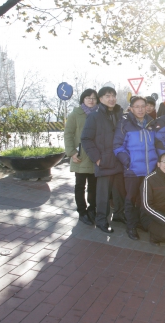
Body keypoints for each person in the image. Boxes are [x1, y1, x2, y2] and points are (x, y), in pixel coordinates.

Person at [81, 86, 125, 234]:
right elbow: (86, 139)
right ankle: (101, 220)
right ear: (100, 99)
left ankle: (119, 215)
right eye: (107, 96)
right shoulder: (94, 116)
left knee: (120, 192)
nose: (111, 98)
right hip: (104, 161)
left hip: (120, 160)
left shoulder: (121, 114)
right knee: (103, 195)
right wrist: (97, 159)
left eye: (113, 95)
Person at [113, 96, 158, 240]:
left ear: (147, 107)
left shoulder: (152, 123)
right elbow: (117, 146)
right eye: (136, 106)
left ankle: (139, 222)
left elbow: (157, 144)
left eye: (142, 106)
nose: (140, 109)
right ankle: (130, 227)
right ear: (131, 108)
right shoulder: (125, 123)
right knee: (131, 199)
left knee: (143, 199)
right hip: (132, 170)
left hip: (149, 170)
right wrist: (128, 162)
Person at [64, 89, 99, 226]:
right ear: (83, 99)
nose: (91, 100)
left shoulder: (99, 114)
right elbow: (68, 134)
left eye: (94, 98)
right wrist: (71, 152)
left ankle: (92, 209)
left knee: (94, 186)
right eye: (88, 98)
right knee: (80, 186)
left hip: (94, 156)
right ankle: (82, 212)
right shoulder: (75, 114)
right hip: (80, 156)